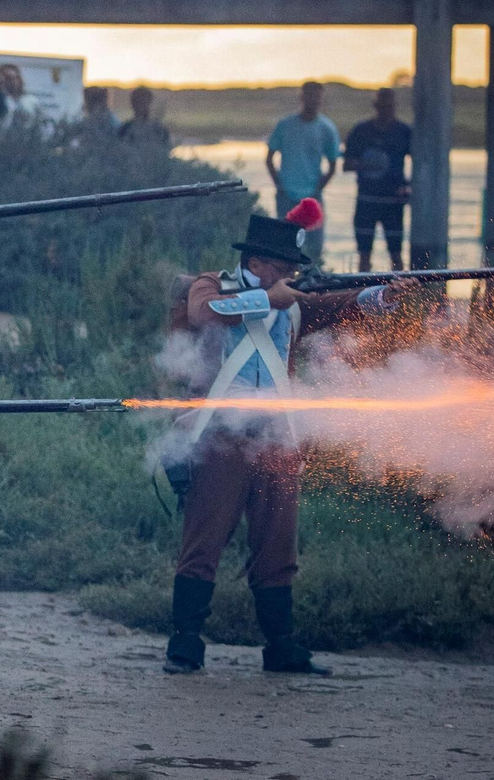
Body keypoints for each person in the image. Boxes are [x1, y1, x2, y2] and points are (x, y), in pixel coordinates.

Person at [161, 202, 414, 676]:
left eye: (292, 270)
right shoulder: (213, 284)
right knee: (203, 542)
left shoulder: (291, 301)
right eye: (282, 268)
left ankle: (282, 647)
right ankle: (185, 646)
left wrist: (380, 295)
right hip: (220, 435)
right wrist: (265, 300)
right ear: (256, 264)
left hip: (277, 437)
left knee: (278, 546)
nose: (291, 277)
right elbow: (203, 314)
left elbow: (336, 304)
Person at [266, 82, 340, 265]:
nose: (313, 100)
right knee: (285, 246)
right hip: (286, 196)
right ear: (302, 97)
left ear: (322, 100)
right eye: (309, 96)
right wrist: (280, 185)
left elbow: (332, 165)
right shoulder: (285, 125)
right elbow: (269, 158)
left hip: (312, 197)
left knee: (314, 247)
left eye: (317, 97)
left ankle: (314, 283)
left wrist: (317, 189)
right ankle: (286, 284)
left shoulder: (327, 129)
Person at [342, 87, 412, 271]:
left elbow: (423, 165)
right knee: (364, 255)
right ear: (375, 106)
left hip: (393, 202)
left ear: (395, 107)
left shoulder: (404, 132)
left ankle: (401, 295)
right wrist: (367, 165)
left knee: (396, 254)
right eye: (382, 106)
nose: (385, 110)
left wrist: (409, 187)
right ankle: (361, 294)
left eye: (389, 106)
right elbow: (346, 164)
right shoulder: (361, 131)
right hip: (367, 200)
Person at [118, 85, 172, 149]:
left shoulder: (160, 131)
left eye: (144, 101)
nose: (141, 105)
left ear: (150, 102)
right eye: (138, 101)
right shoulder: (124, 130)